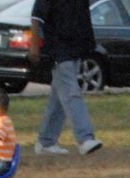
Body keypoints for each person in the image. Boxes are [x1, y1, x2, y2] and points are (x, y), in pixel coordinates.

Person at [32, 0, 99, 155]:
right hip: (59, 50)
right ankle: (85, 138)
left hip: (76, 48)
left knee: (59, 97)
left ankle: (46, 141)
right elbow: (37, 16)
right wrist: (34, 45)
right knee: (71, 92)